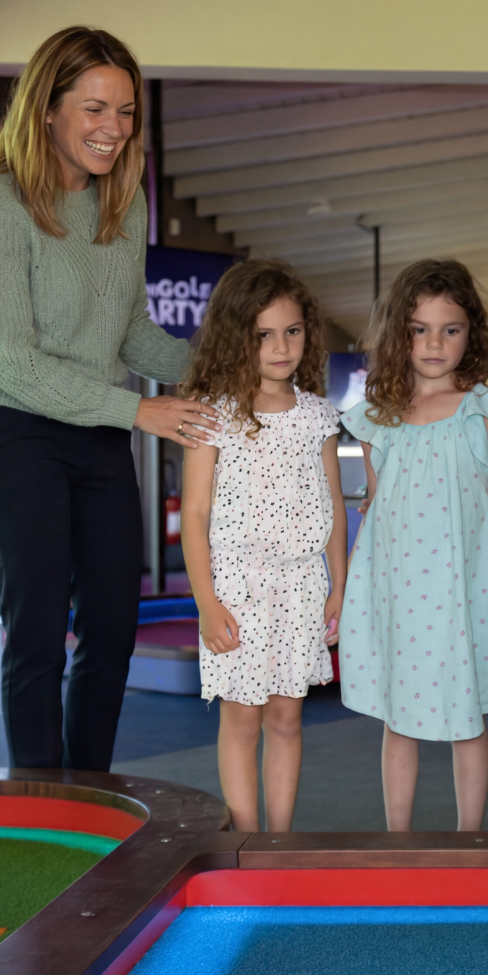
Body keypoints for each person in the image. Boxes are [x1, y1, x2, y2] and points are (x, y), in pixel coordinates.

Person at [0, 26, 215, 772]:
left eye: (126, 112)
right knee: (35, 631)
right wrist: (141, 412)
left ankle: (89, 794)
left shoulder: (120, 206)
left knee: (112, 626)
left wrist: (218, 366)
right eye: (95, 109)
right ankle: (40, 810)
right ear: (47, 109)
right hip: (10, 430)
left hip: (95, 430)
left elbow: (131, 332)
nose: (113, 129)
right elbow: (12, 359)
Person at [338, 259, 488, 832]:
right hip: (396, 590)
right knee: (398, 716)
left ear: (472, 333)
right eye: (419, 329)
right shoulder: (377, 416)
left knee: (467, 716)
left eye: (450, 329)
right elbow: (375, 498)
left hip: (461, 586)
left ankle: (472, 837)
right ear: (399, 334)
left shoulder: (487, 409)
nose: (435, 343)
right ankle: (398, 837)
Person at [179, 259, 347, 833]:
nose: (281, 347)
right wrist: (207, 603)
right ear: (236, 336)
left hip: (301, 586)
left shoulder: (318, 415)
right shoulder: (212, 415)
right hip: (237, 587)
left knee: (286, 717)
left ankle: (280, 838)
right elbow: (195, 515)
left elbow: (335, 508)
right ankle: (246, 839)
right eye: (263, 335)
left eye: (292, 331)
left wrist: (337, 588)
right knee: (242, 718)